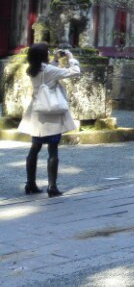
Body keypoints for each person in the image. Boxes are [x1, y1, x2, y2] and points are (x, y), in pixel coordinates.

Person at [20, 43, 80, 197]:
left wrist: (54, 61)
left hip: (37, 113)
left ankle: (30, 183)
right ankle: (52, 186)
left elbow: (47, 72)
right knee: (53, 150)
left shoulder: (31, 69)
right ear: (43, 55)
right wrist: (71, 58)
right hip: (51, 112)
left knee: (35, 148)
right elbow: (74, 72)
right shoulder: (49, 70)